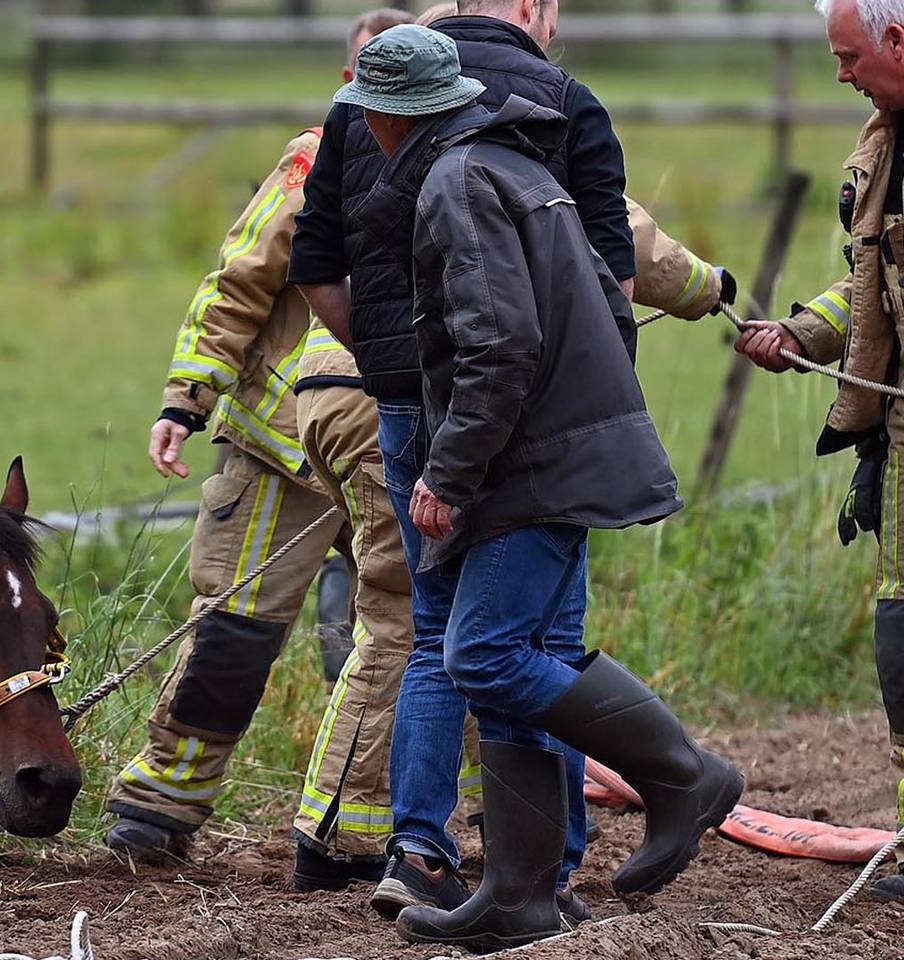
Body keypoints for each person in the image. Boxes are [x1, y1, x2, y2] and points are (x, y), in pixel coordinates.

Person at [288, 0, 735, 921]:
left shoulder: (454, 182)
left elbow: (499, 345)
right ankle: (523, 893)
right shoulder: (503, 152)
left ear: (384, 114)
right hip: (538, 435)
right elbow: (607, 292)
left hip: (525, 448)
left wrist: (449, 474)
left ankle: (682, 774)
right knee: (506, 645)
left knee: (484, 654)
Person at [102, 7, 411, 865]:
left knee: (389, 641)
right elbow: (236, 282)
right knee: (235, 633)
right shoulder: (314, 159)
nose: (369, 88)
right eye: (360, 71)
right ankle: (160, 806)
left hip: (391, 443)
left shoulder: (441, 160)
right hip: (278, 451)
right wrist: (183, 400)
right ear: (345, 77)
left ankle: (364, 828)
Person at [733, 0, 904, 904]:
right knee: (902, 632)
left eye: (848, 57)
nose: (840, 74)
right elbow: (874, 278)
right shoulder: (884, 144)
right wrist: (806, 330)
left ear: (899, 41)